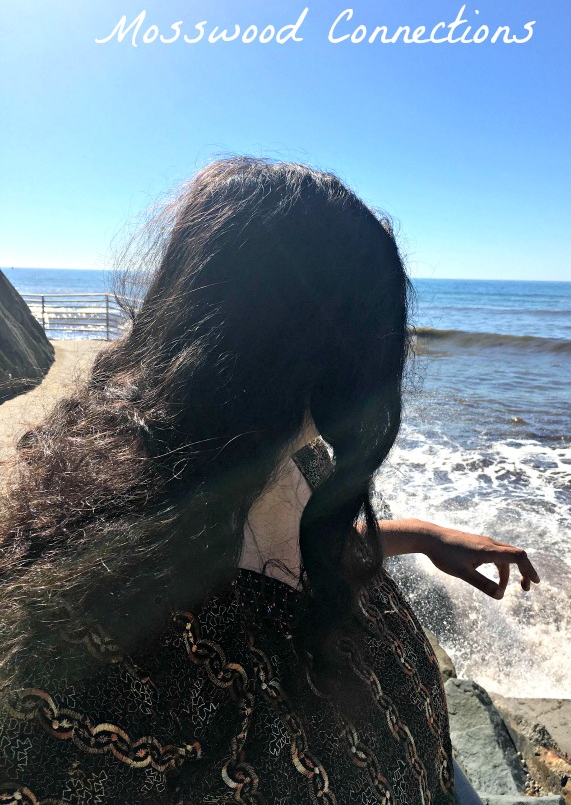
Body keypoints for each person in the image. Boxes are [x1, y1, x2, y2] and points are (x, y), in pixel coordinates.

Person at [0, 158, 539, 804]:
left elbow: (300, 540)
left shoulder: (272, 463)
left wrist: (424, 536)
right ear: (334, 363)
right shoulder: (95, 673)